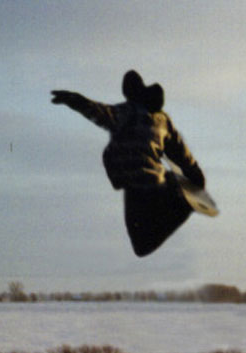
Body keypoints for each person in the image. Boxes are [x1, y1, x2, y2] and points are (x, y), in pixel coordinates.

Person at [51, 70, 207, 256]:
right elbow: (180, 152)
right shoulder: (163, 120)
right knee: (143, 244)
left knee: (142, 247)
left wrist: (73, 99)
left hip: (135, 185)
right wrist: (195, 173)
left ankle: (182, 204)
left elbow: (99, 112)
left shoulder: (128, 112)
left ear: (132, 94)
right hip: (157, 182)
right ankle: (177, 199)